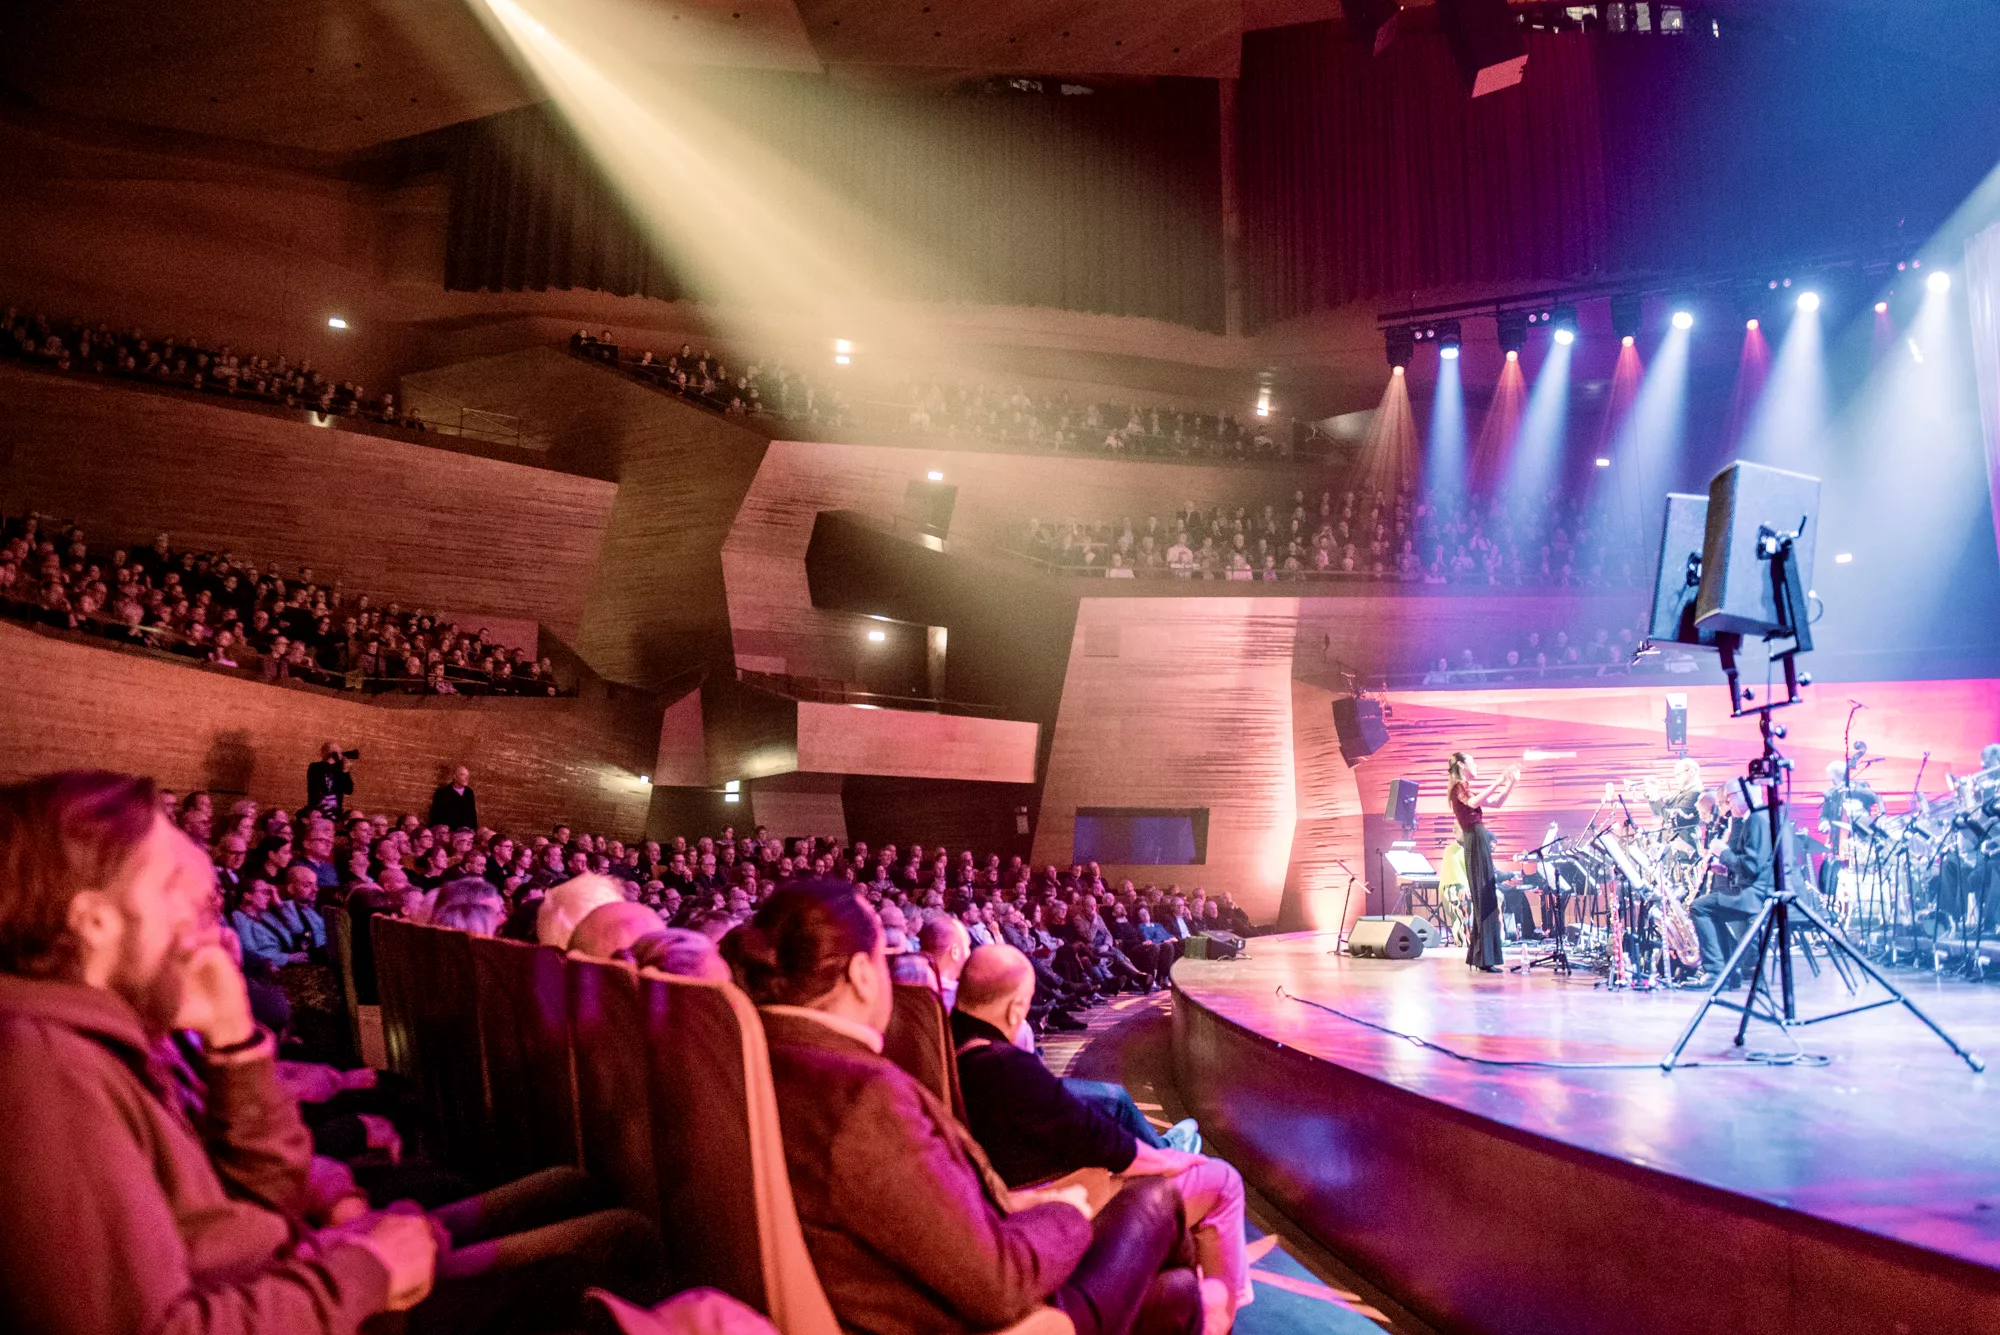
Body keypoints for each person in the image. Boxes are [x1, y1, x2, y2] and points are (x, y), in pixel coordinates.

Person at [0, 770, 666, 1334]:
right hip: (330, 1304)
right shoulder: (43, 1073)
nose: (208, 921)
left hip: (312, 1275)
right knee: (611, 1250)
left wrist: (236, 1045)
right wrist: (364, 1271)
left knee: (578, 1197)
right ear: (94, 921)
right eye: (179, 892)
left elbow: (269, 1195)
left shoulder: (111, 1039)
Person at [721, 879, 1202, 1335]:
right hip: (967, 1320)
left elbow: (909, 1216)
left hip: (913, 1281)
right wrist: (1068, 1213)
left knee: (1176, 1293)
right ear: (862, 974)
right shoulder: (860, 1096)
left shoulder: (751, 1061)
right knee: (1157, 1199)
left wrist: (1015, 1207)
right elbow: (998, 1282)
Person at [951, 946, 1251, 1335]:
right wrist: (1170, 1160)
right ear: (1015, 1009)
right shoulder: (1006, 1067)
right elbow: (1102, 1141)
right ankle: (1221, 1319)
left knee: (1176, 1278)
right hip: (1064, 1200)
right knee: (1222, 1180)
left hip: (1031, 1194)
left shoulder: (948, 1051)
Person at [1691, 785, 1775, 985]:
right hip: (1757, 889)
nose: (1727, 806)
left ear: (1740, 797)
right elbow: (1748, 863)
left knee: (1699, 907)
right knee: (1707, 907)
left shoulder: (1757, 821)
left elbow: (1749, 867)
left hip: (1757, 894)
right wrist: (1725, 869)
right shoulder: (1758, 817)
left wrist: (1722, 852)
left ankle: (1717, 972)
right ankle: (1729, 969)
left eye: (1728, 800)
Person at [1449, 751, 1519, 972]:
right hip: (1475, 840)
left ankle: (1484, 957)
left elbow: (1496, 803)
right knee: (1484, 897)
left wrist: (1510, 784)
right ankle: (1484, 958)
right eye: (1473, 761)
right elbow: (1473, 802)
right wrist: (1498, 780)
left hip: (1479, 839)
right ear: (1462, 765)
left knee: (1487, 897)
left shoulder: (1464, 787)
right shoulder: (1458, 786)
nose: (1476, 765)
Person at [305, 742, 355, 817]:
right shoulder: (315, 767)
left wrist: (345, 772)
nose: (342, 754)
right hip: (318, 811)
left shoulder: (340, 770)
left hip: (335, 812)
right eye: (339, 751)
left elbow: (348, 790)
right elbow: (316, 786)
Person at [428, 766, 478, 832]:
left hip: (466, 832)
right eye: (463, 775)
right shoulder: (443, 793)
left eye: (467, 776)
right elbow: (437, 814)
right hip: (449, 831)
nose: (466, 778)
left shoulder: (469, 793)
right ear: (455, 776)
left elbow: (472, 814)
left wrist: (473, 830)